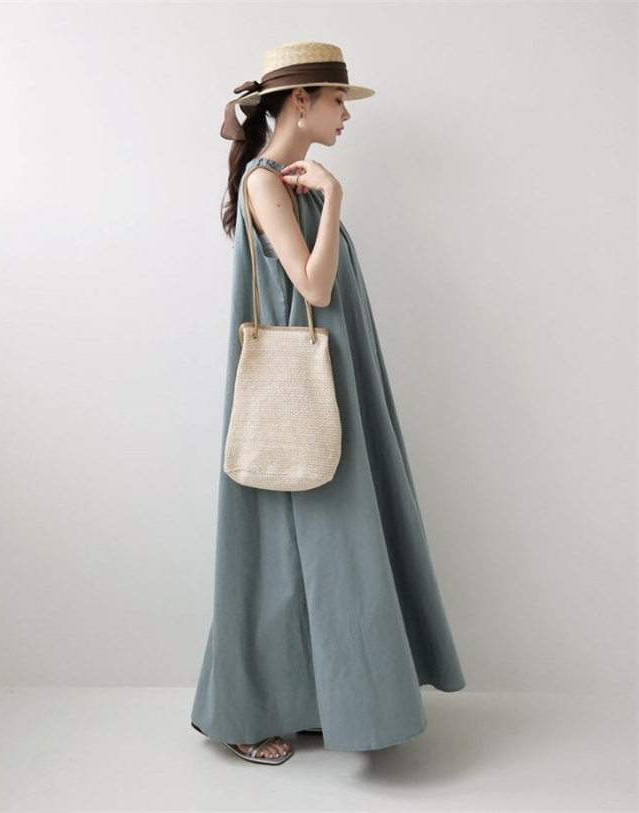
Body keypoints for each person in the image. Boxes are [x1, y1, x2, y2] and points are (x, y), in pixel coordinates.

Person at [190, 41, 466, 765]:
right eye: (339, 100)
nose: (346, 113)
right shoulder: (266, 183)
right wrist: (336, 194)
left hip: (333, 381)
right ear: (300, 101)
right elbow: (312, 287)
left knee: (326, 544)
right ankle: (244, 709)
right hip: (299, 390)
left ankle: (314, 699)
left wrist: (323, 193)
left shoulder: (293, 183)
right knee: (285, 549)